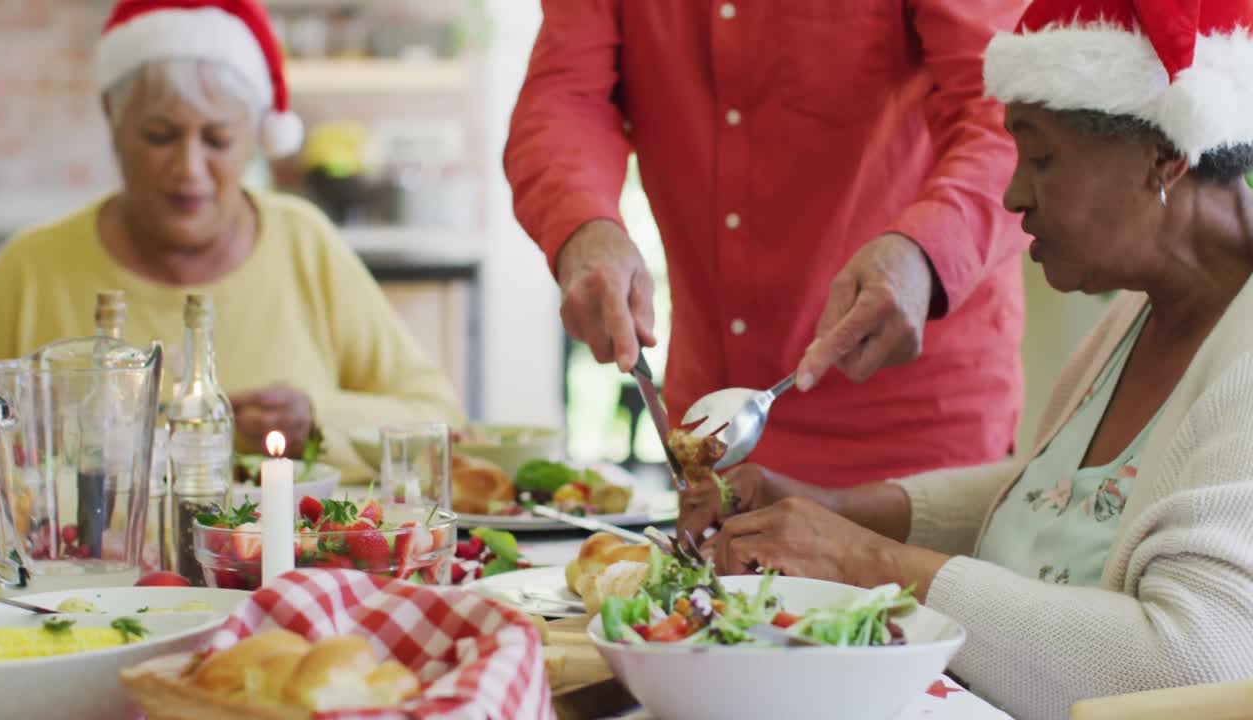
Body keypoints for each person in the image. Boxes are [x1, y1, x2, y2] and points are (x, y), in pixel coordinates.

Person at [682, 1, 1253, 717]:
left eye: (1042, 158)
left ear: (1164, 155)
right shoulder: (1141, 314)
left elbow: (1188, 666)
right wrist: (834, 510)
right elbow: (1051, 500)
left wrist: (864, 563)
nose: (1013, 195)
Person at [504, 1, 1032, 488]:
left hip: (914, 430)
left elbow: (1004, 111)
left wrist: (925, 251)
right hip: (720, 430)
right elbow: (566, 96)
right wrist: (583, 229)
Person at [0, 0, 463, 483]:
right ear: (113, 123)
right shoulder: (28, 270)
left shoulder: (303, 243)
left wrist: (316, 422)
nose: (189, 169)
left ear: (254, 136)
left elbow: (439, 421)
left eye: (218, 139)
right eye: (160, 136)